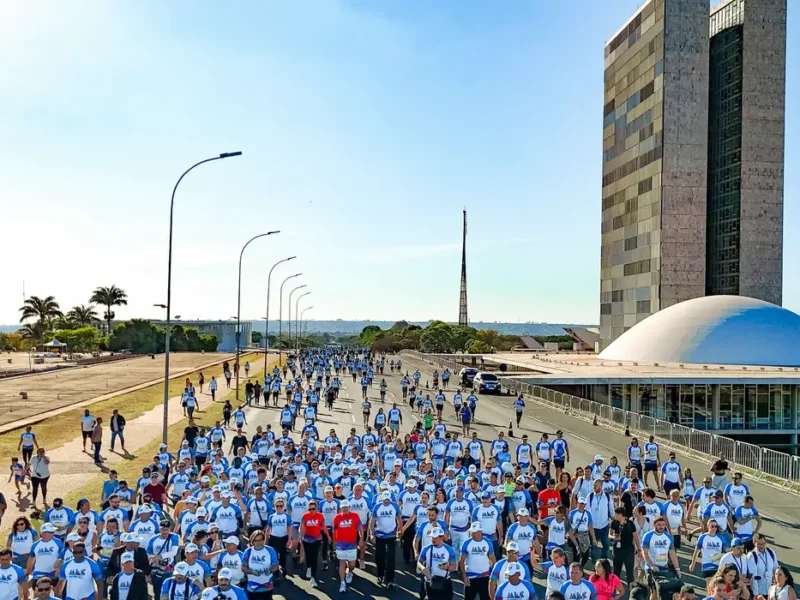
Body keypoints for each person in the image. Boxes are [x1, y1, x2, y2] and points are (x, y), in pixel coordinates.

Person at [418, 527, 458, 600]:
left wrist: (447, 567)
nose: (433, 540)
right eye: (432, 537)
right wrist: (423, 568)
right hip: (430, 581)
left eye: (435, 538)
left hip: (445, 582)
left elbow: (454, 567)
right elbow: (419, 562)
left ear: (441, 537)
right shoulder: (426, 549)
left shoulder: (450, 550)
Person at [297, 499, 329, 588]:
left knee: (314, 557)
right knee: (308, 556)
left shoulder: (320, 516)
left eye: (313, 509)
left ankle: (313, 577)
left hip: (317, 539)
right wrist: (300, 537)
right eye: (309, 509)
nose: (311, 511)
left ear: (316, 508)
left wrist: (328, 536)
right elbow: (301, 527)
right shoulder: (305, 516)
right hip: (307, 539)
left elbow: (324, 527)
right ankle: (308, 567)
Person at [460, 521, 495, 600]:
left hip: (485, 577)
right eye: (472, 531)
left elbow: (493, 559)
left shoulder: (487, 542)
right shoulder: (466, 543)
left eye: (475, 532)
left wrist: (493, 576)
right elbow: (461, 561)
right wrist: (464, 576)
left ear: (480, 531)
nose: (472, 533)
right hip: (470, 577)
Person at [332, 499, 361, 593]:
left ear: (349, 507)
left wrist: (361, 539)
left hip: (352, 543)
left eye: (346, 507)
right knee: (342, 563)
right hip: (340, 544)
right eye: (343, 507)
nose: (344, 509)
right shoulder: (337, 517)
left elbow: (360, 527)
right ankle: (342, 582)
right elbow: (334, 530)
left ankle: (350, 572)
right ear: (340, 508)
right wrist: (334, 542)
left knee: (352, 564)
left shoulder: (355, 516)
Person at [609, 507, 637, 586]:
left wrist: (638, 548)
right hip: (617, 550)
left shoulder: (630, 524)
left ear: (621, 515)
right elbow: (610, 534)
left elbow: (635, 537)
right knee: (616, 570)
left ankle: (631, 588)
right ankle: (615, 587)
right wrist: (613, 537)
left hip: (628, 550)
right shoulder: (614, 522)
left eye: (616, 514)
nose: (615, 515)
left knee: (629, 572)